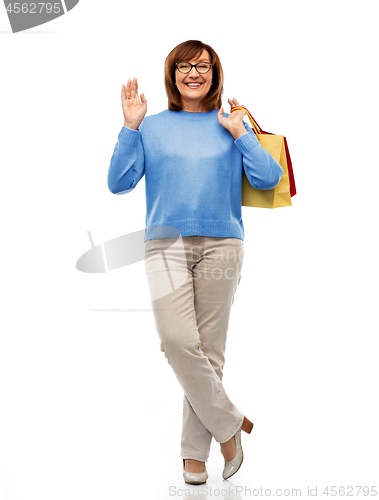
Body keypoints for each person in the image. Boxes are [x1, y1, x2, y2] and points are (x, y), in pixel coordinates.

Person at [107, 40, 283, 484]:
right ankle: (229, 426)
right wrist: (130, 127)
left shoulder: (230, 123)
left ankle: (192, 456)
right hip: (165, 244)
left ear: (214, 73)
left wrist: (241, 132)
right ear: (172, 74)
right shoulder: (153, 127)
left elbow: (268, 178)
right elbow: (118, 183)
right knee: (175, 340)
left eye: (202, 66)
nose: (193, 73)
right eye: (184, 66)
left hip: (222, 244)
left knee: (208, 351)